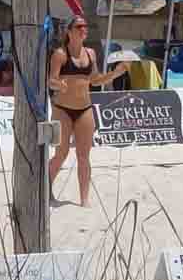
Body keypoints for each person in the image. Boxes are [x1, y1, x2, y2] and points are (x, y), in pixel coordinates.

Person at [47, 18, 129, 205]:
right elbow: (50, 80)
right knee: (61, 154)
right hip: (62, 109)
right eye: (79, 27)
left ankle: (84, 199)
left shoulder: (90, 53)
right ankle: (45, 188)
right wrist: (59, 84)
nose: (84, 29)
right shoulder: (60, 54)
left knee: (84, 156)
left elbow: (96, 80)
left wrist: (115, 74)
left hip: (84, 108)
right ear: (69, 31)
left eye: (86, 26)